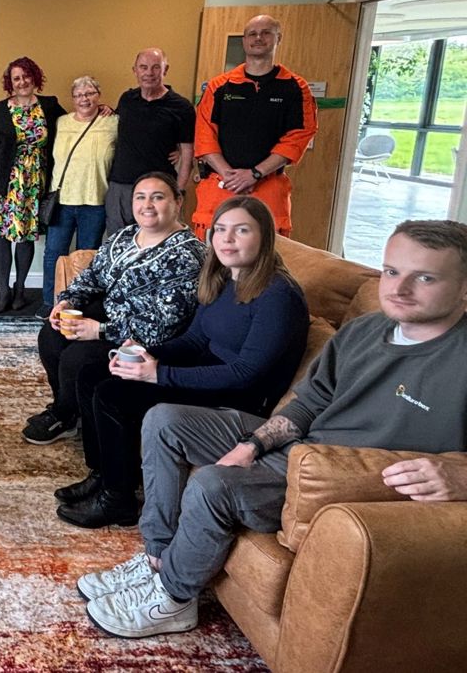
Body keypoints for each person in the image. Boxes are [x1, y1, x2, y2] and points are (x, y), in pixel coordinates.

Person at [78, 219, 467, 640]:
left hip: (339, 476)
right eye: (392, 272)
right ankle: (157, 558)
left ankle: (173, 598)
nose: (398, 289)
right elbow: (311, 402)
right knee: (166, 420)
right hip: (301, 443)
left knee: (214, 484)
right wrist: (254, 443)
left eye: (424, 277)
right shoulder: (364, 330)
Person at [56, 196, 309, 528]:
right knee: (93, 373)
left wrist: (159, 374)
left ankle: (118, 500)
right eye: (220, 229)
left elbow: (245, 375)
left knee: (113, 395)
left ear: (264, 236)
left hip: (239, 397)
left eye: (241, 230)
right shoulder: (223, 276)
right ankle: (104, 475)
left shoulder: (279, 295)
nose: (227, 239)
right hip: (208, 371)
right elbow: (194, 340)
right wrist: (148, 351)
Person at [26, 172, 205, 446]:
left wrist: (98, 330)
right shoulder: (126, 235)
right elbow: (93, 274)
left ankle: (69, 415)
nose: (147, 205)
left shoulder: (185, 254)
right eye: (140, 197)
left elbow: (166, 323)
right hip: (111, 315)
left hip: (145, 338)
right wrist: (68, 300)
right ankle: (67, 411)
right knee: (50, 335)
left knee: (78, 357)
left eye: (158, 198)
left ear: (178, 201)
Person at [192, 15, 317, 240]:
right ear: (244, 41)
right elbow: (204, 135)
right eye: (252, 33)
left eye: (266, 32)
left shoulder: (295, 88)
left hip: (268, 186)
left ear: (278, 38)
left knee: (267, 254)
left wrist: (255, 174)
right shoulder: (219, 86)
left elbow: (298, 136)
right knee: (212, 256)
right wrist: (230, 176)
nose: (258, 38)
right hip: (220, 184)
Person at [0, 57, 66, 314]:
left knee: (26, 235)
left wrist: (103, 108)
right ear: (10, 83)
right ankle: (3, 290)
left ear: (35, 77)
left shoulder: (49, 106)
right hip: (6, 182)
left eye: (26, 76)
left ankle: (20, 289)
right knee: (2, 235)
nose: (22, 82)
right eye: (16, 78)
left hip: (34, 182)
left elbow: (75, 122)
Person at [40, 75, 118, 316]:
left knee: (86, 257)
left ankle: (79, 304)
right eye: (79, 95)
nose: (84, 99)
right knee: (54, 254)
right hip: (62, 200)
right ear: (72, 99)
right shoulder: (61, 122)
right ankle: (50, 303)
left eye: (90, 93)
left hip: (95, 201)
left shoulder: (113, 121)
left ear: (99, 95)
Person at [104, 48, 195, 236]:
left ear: (165, 69)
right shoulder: (127, 99)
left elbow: (188, 153)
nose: (149, 73)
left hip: (159, 187)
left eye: (155, 67)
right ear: (135, 70)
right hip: (121, 186)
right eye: (143, 67)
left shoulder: (182, 107)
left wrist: (179, 191)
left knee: (158, 240)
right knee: (118, 242)